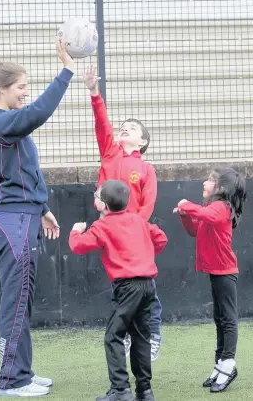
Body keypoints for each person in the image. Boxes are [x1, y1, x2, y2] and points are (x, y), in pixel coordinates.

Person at [0, 39, 75, 397]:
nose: (26, 93)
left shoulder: (7, 125)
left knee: (23, 298)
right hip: (12, 221)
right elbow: (38, 113)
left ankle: (22, 372)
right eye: (21, 87)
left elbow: (27, 169)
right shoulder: (0, 124)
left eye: (27, 87)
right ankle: (11, 381)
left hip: (23, 216)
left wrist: (42, 208)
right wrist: (66, 71)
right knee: (16, 301)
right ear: (1, 90)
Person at [83, 66, 163, 361]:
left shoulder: (146, 168)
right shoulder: (110, 152)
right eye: (124, 125)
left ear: (142, 142)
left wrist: (135, 229)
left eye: (133, 127)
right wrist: (94, 92)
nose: (125, 127)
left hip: (135, 235)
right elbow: (101, 122)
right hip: (110, 231)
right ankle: (129, 336)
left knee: (147, 289)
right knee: (120, 287)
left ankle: (152, 335)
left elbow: (148, 205)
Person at [69, 180, 168, 401]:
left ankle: (120, 390)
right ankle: (144, 391)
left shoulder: (102, 226)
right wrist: (144, 257)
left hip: (127, 288)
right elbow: (161, 238)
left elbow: (78, 246)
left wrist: (75, 231)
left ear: (103, 205)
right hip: (147, 285)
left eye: (98, 195)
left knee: (113, 336)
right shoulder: (138, 220)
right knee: (141, 337)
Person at [173, 167, 246, 393]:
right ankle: (219, 363)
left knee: (228, 319)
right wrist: (186, 216)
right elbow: (195, 229)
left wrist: (185, 205)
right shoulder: (210, 208)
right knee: (220, 318)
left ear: (221, 188)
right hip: (216, 272)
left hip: (225, 272)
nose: (204, 183)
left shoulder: (221, 208)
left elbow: (206, 215)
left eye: (209, 180)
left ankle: (229, 363)